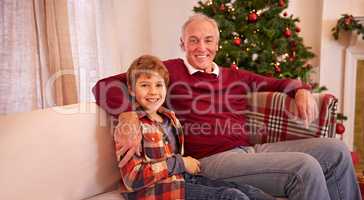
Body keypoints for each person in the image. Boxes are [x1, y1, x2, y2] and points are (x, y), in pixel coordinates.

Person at [93, 14, 361, 200]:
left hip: (250, 150)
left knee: (335, 150)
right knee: (304, 167)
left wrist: (300, 89)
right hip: (211, 160)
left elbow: (279, 83)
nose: (201, 47)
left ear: (217, 44)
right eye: (194, 40)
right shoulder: (168, 71)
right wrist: (127, 113)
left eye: (208, 40)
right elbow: (105, 85)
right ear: (182, 44)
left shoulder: (234, 76)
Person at [116, 54, 275, 200]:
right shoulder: (130, 126)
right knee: (231, 197)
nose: (153, 92)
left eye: (159, 85)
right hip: (155, 191)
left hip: (181, 180)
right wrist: (181, 163)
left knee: (251, 192)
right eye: (144, 85)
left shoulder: (169, 117)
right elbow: (133, 179)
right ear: (131, 89)